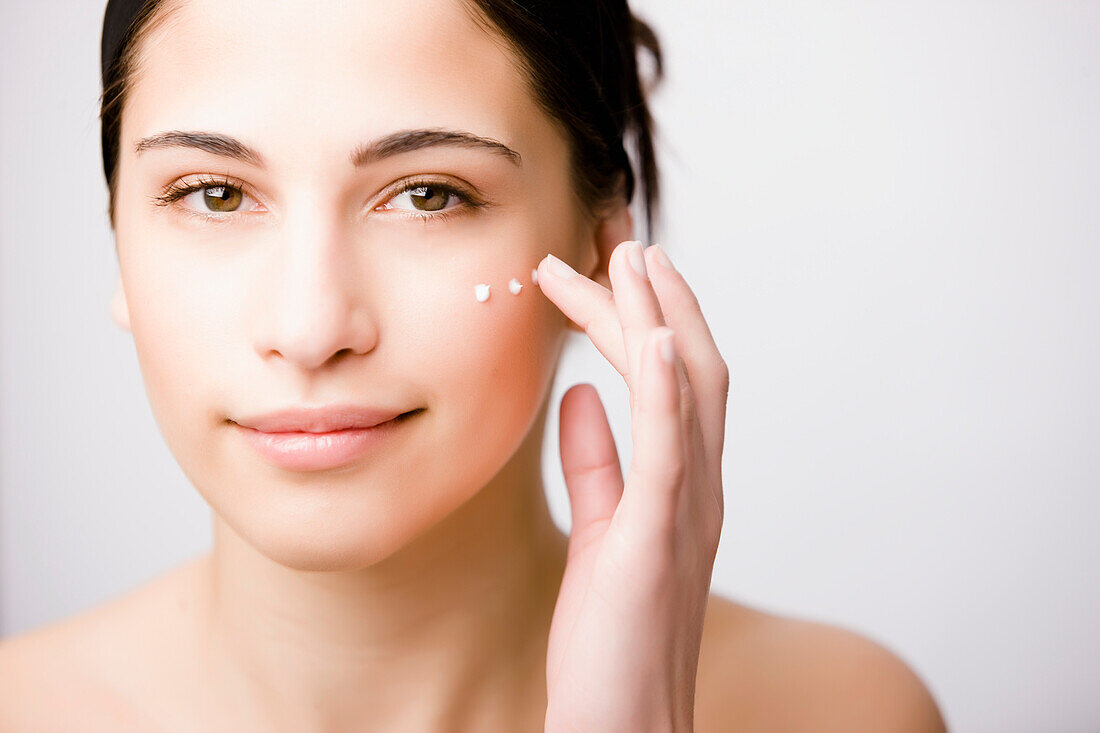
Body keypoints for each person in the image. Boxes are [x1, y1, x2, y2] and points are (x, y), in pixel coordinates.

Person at [0, 0, 947, 730]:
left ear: (597, 243)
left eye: (426, 194)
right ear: (116, 236)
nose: (310, 325)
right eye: (213, 194)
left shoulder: (844, 709)